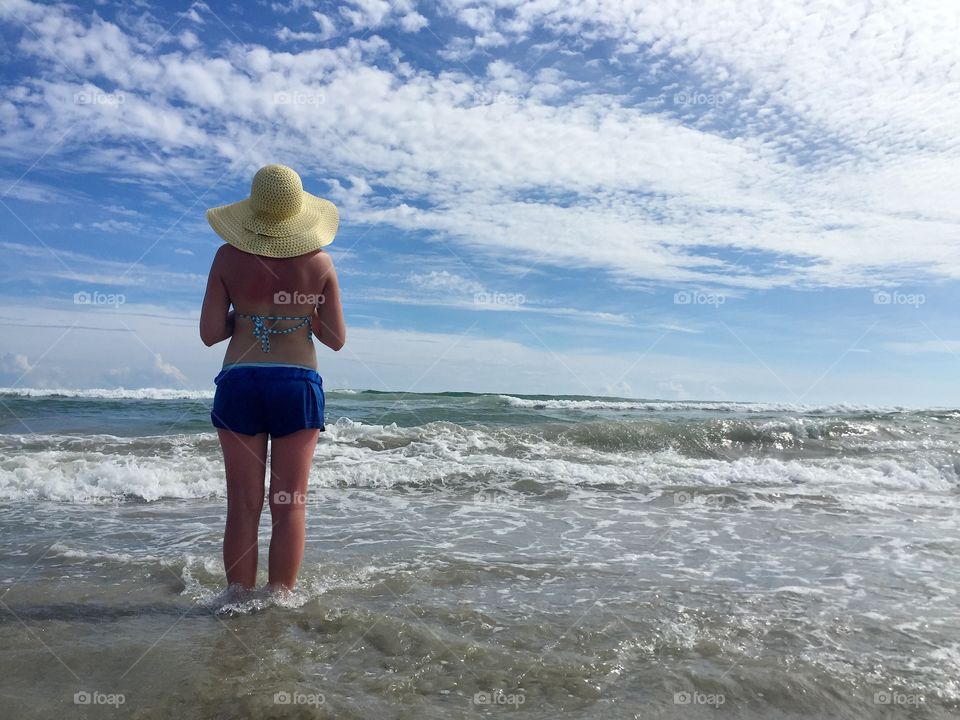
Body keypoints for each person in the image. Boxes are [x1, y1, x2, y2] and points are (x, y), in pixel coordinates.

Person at [199, 163, 345, 592]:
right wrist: (300, 314)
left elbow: (209, 334)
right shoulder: (320, 262)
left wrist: (248, 318)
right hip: (295, 386)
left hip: (240, 382)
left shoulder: (227, 257)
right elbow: (335, 338)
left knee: (242, 507)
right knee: (290, 505)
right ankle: (280, 602)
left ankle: (237, 601)